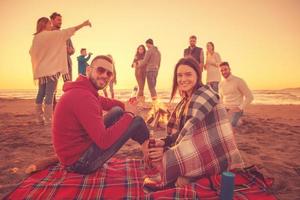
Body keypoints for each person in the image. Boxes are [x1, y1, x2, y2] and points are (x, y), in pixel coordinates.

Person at [144, 57, 244, 189]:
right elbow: (185, 132)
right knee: (154, 151)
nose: (183, 79)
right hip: (199, 145)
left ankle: (184, 177)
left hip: (216, 152)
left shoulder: (203, 96)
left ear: (198, 74)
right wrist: (165, 142)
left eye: (188, 74)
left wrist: (166, 151)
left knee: (165, 160)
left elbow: (191, 135)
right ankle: (186, 176)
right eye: (179, 75)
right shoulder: (187, 99)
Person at [52, 55, 150, 174]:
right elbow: (104, 140)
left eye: (109, 73)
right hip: (80, 163)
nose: (105, 75)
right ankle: (147, 146)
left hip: (74, 154)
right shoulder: (84, 97)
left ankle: (146, 144)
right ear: (88, 70)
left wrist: (126, 106)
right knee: (137, 121)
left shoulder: (84, 89)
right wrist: (129, 114)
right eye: (100, 70)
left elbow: (107, 102)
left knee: (117, 111)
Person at [29, 17, 91, 125]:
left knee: (41, 93)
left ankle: (39, 118)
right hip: (51, 70)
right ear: (45, 25)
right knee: (49, 93)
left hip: (41, 71)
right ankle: (48, 120)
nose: (50, 26)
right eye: (49, 24)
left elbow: (31, 52)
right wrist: (83, 24)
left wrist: (43, 59)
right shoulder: (52, 35)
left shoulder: (36, 38)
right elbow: (69, 31)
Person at [219, 62, 254, 127]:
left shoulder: (239, 81)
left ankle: (239, 120)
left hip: (237, 109)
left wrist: (240, 107)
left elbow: (250, 97)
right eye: (221, 70)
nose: (224, 72)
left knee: (231, 125)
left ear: (229, 69)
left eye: (225, 69)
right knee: (217, 123)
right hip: (226, 109)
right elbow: (221, 99)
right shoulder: (221, 84)